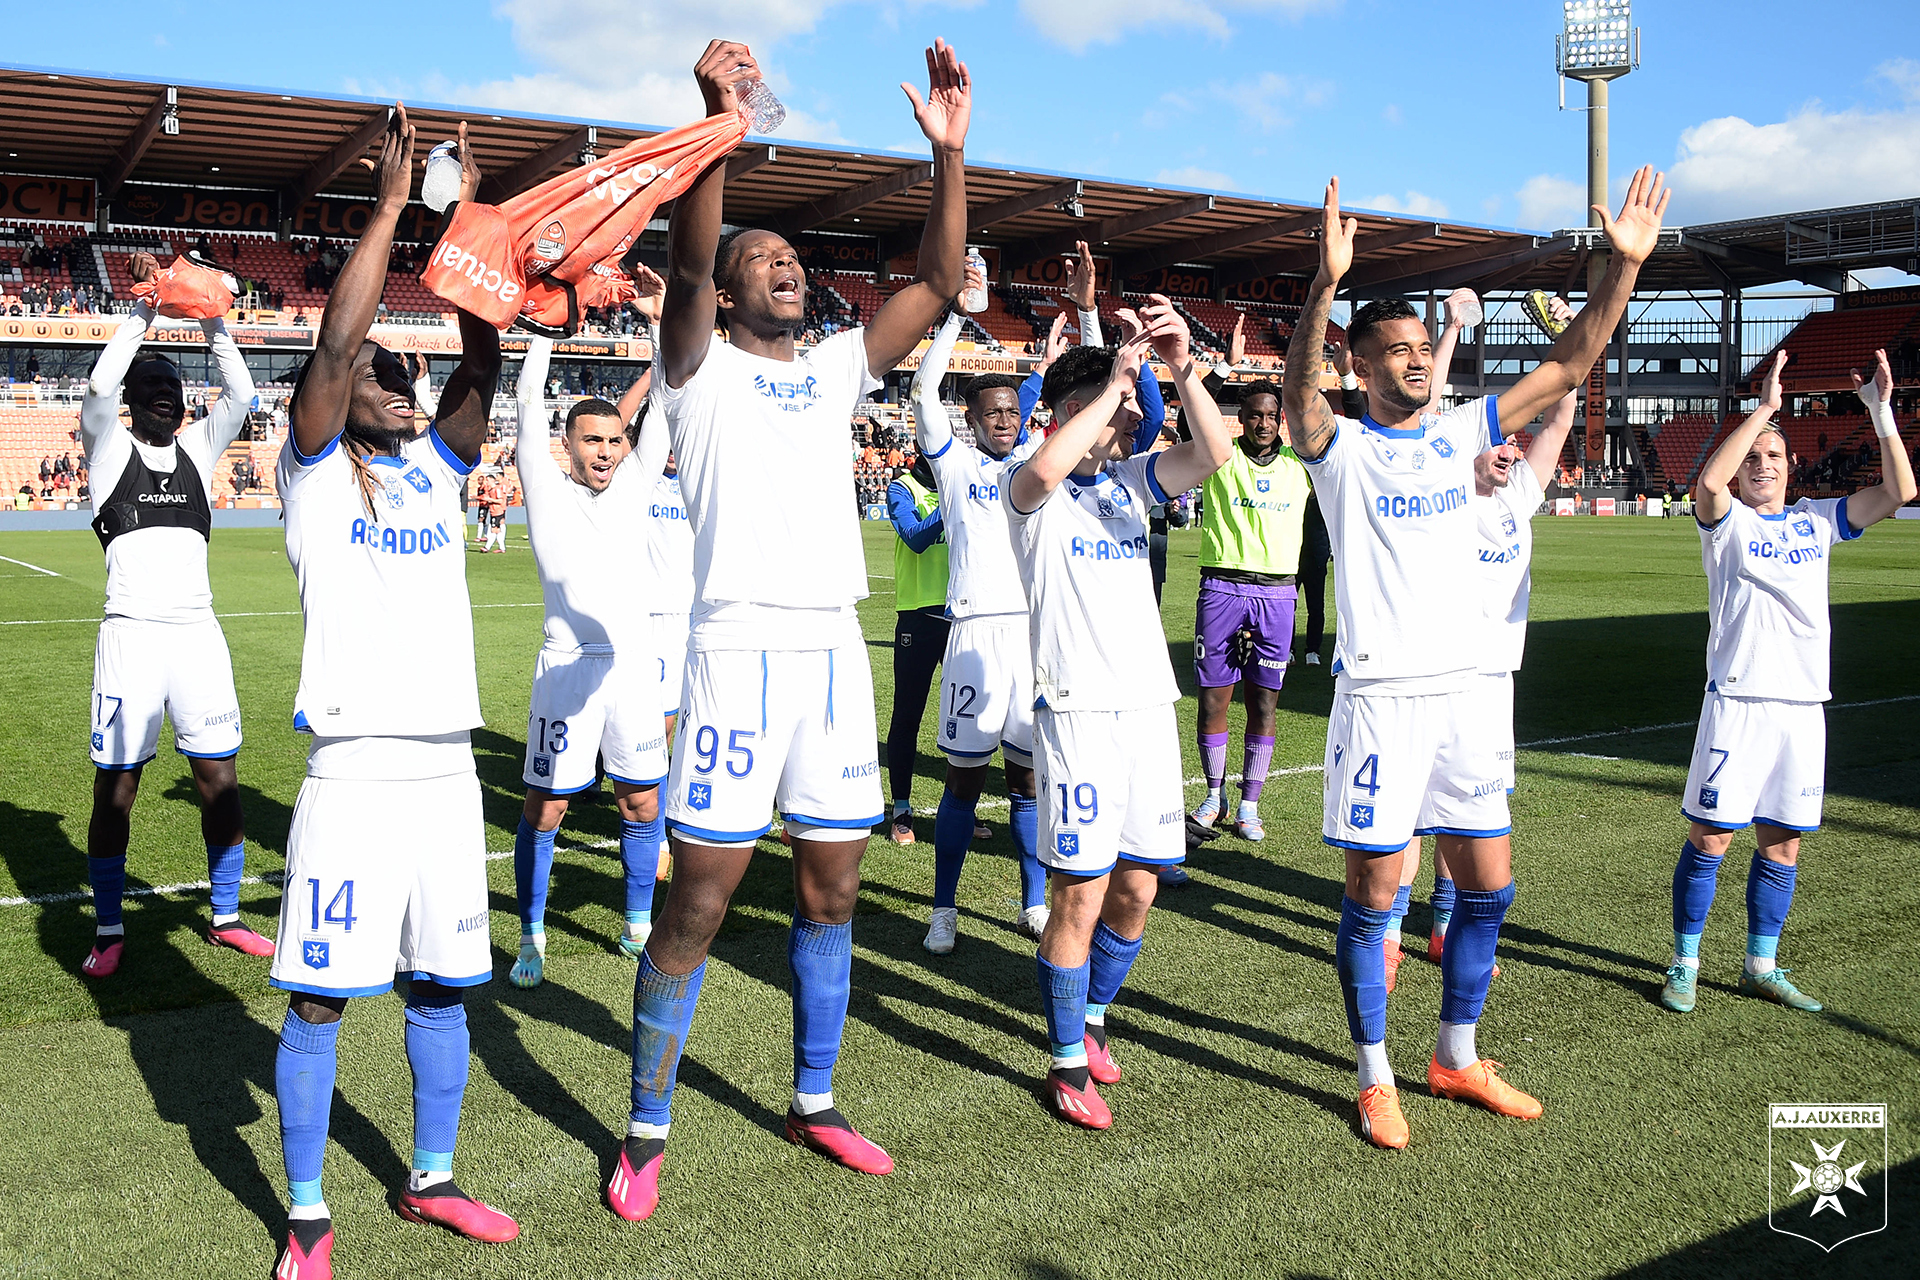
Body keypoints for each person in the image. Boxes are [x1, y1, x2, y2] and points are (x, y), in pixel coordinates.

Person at [611, 37, 971, 1222]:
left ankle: (813, 1096)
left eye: (792, 259)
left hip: (831, 658)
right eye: (758, 258)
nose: (783, 268)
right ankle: (647, 1123)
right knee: (701, 901)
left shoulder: (830, 371)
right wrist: (720, 123)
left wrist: (948, 156)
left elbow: (937, 274)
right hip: (734, 653)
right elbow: (684, 251)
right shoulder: (694, 373)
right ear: (722, 287)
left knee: (832, 891)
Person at [1282, 168, 1668, 1150]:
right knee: (1378, 895)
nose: (1415, 359)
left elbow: (1574, 362)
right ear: (1363, 366)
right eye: (1396, 350)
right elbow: (1295, 399)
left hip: (1467, 699)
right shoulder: (1342, 451)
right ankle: (1375, 1076)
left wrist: (1617, 270)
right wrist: (1326, 285)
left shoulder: (1466, 430)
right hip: (1380, 701)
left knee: (1488, 884)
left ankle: (1456, 1052)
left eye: (1421, 346)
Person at [266, 111, 519, 1279]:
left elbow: (481, 364)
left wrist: (475, 236)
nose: (397, 381)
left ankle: (432, 1178)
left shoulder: (434, 463)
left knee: (441, 985)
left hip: (445, 773)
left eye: (399, 372)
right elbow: (335, 343)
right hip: (354, 769)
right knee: (321, 1000)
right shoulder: (313, 470)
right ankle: (308, 1212)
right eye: (381, 373)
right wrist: (387, 208)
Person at [1005, 298, 1231, 1130]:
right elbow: (1046, 465)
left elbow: (1213, 451)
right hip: (1077, 713)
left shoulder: (1134, 483)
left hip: (1146, 711)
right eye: (1117, 408)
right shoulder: (1027, 489)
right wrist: (1116, 378)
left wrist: (1179, 362)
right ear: (1072, 412)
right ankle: (1065, 1063)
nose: (1134, 418)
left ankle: (1092, 1019)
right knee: (1080, 896)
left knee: (1137, 889)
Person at [1659, 348, 1915, 1015]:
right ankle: (1685, 961)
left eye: (1774, 456)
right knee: (1711, 838)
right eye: (1753, 459)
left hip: (1803, 706)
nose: (1763, 466)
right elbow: (1707, 486)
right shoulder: (1727, 523)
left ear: (1792, 467)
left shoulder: (1818, 521)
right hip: (1738, 701)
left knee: (1784, 840)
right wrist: (1765, 411)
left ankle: (1759, 964)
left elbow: (1899, 493)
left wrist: (1882, 413)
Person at [78, 251, 269, 979]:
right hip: (130, 637)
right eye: (150, 387)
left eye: (171, 387)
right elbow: (98, 380)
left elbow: (243, 390)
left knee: (219, 778)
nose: (164, 395)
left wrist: (213, 311)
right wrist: (149, 305)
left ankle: (225, 917)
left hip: (198, 636)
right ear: (132, 399)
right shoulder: (108, 449)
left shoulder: (196, 447)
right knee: (117, 787)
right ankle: (107, 928)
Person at [505, 334, 669, 989]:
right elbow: (524, 401)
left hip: (631, 670)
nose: (605, 450)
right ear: (567, 444)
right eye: (592, 439)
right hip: (565, 670)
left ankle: (638, 927)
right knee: (545, 809)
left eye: (613, 439)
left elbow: (668, 395)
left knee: (642, 803)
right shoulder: (544, 486)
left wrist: (659, 322)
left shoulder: (636, 482)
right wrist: (543, 334)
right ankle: (532, 935)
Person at [1417, 373, 1578, 989]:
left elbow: (1559, 422)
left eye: (1516, 443)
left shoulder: (1518, 498)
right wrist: (1454, 328)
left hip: (1495, 680)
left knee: (1472, 802)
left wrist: (1572, 364)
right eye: (1500, 443)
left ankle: (1444, 922)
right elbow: (1431, 420)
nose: (1512, 451)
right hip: (1442, 671)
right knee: (1418, 810)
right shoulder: (1445, 496)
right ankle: (1390, 934)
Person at [911, 272, 1049, 952]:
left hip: (1030, 640)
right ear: (972, 418)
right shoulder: (957, 466)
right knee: (964, 782)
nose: (1005, 420)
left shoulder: (1037, 464)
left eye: (1012, 411)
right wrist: (957, 320)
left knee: (1028, 780)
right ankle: (944, 908)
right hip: (971, 639)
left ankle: (1033, 901)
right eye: (992, 412)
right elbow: (919, 392)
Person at [1189, 377, 1311, 845]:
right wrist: (1223, 366)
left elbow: (1351, 428)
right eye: (1254, 415)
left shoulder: (1300, 464)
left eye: (1270, 415)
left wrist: (1343, 380)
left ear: (1280, 418)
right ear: (1241, 418)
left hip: (1278, 594)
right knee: (1213, 699)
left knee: (1264, 701)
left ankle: (1249, 804)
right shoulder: (1221, 456)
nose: (1262, 423)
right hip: (1221, 587)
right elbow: (1188, 418)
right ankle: (1214, 796)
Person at [883, 447, 949, 847]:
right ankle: (902, 809)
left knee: (968, 720)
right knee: (908, 715)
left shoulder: (958, 486)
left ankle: (961, 804)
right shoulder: (901, 489)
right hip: (918, 616)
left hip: (961, 615)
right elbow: (915, 538)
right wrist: (953, 502)